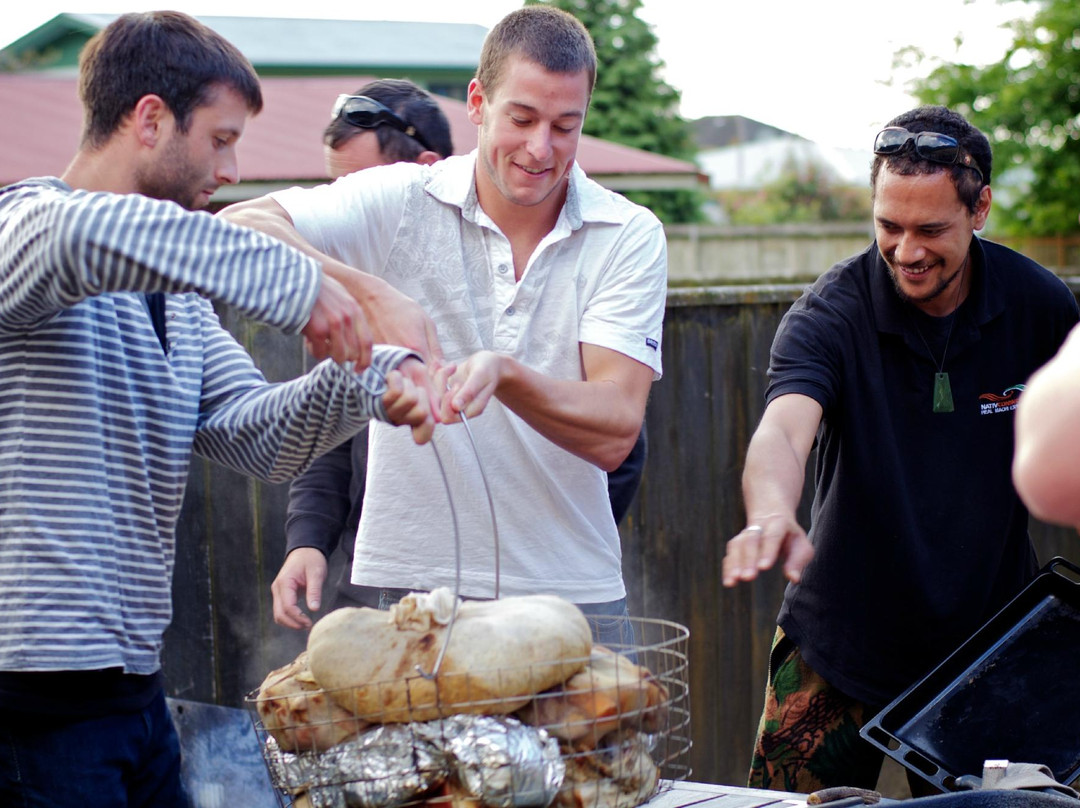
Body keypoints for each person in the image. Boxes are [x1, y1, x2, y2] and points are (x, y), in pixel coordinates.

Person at [0, 12, 437, 807]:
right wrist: (313, 287)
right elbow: (75, 233)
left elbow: (255, 436)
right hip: (27, 713)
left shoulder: (178, 301)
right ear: (150, 119)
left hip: (133, 699)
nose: (233, 169)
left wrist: (373, 378)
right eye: (221, 139)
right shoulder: (24, 228)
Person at [222, 6, 666, 644]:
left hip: (577, 600)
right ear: (477, 103)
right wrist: (369, 293)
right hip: (413, 596)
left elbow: (616, 431)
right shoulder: (401, 196)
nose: (541, 149)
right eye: (522, 119)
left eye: (565, 126)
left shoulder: (628, 233)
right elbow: (237, 227)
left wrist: (505, 375)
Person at [720, 105, 1079, 795]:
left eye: (931, 229)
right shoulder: (831, 312)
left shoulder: (1040, 306)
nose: (907, 251)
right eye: (889, 226)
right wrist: (770, 511)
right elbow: (783, 429)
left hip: (988, 650)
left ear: (981, 210)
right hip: (840, 639)